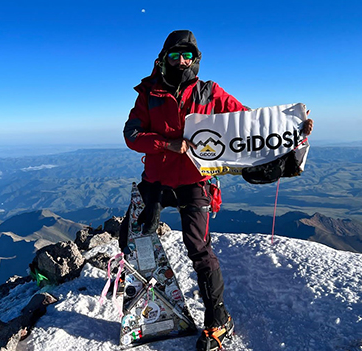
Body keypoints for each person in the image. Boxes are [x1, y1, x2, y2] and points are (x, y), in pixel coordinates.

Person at [122, 30, 313, 351]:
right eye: (174, 56)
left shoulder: (209, 92)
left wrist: (292, 129)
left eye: (187, 56)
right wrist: (167, 143)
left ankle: (217, 318)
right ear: (163, 58)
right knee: (137, 231)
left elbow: (249, 122)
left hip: (196, 180)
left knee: (197, 248)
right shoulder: (149, 94)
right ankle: (137, 294)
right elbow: (132, 134)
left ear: (195, 60)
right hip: (157, 177)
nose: (181, 61)